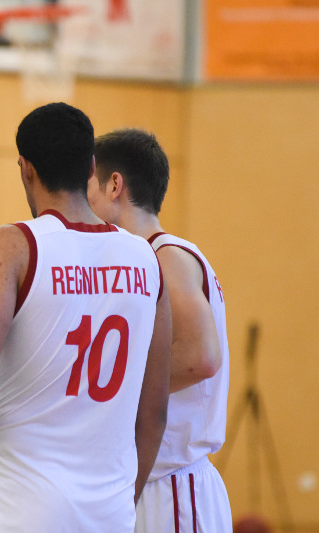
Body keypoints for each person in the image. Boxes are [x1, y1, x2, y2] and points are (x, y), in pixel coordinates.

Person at [0, 102, 172, 532]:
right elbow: (155, 409)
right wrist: (123, 498)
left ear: (25, 168)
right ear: (91, 166)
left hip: (22, 505)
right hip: (110, 509)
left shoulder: (13, 245)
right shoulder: (145, 257)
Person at [88, 128, 232, 532]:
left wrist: (107, 391)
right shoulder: (142, 257)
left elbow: (201, 357)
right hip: (151, 482)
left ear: (114, 185)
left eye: (88, 188)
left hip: (173, 486)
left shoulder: (166, 256)